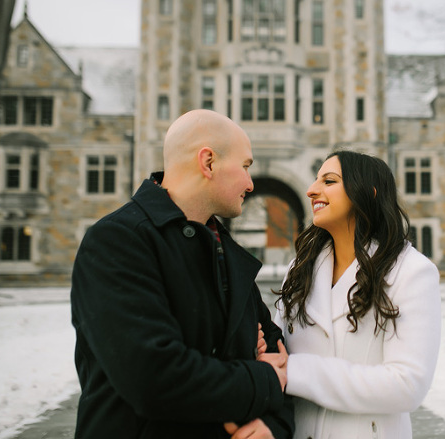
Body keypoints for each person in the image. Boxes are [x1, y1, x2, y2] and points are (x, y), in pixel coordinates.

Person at [71, 110, 294, 439]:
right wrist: (264, 380)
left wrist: (274, 426)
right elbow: (153, 379)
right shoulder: (118, 241)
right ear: (208, 162)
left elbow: (279, 356)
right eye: (245, 166)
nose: (251, 183)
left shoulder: (227, 252)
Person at [269, 150, 442, 439]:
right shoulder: (299, 268)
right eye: (316, 180)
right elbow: (276, 354)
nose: (311, 190)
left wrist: (297, 372)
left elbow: (407, 385)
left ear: (367, 193)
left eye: (329, 181)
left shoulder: (412, 272)